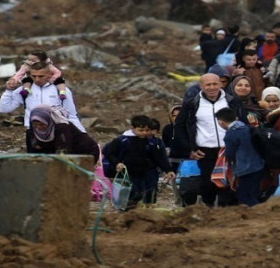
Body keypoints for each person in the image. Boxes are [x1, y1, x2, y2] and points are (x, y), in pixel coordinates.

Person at [170, 73, 246, 207]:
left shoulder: (232, 102)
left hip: (228, 149)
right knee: (208, 183)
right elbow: (180, 126)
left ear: (221, 84)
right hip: (205, 151)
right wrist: (190, 149)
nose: (212, 87)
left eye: (215, 84)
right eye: (208, 84)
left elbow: (244, 124)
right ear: (201, 86)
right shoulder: (192, 104)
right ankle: (208, 209)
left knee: (229, 181)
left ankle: (228, 211)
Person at [0, 61, 86, 144]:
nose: (37, 79)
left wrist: (82, 134)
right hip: (34, 132)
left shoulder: (60, 90)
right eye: (34, 76)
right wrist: (9, 91)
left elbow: (71, 115)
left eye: (41, 76)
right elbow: (4, 109)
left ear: (49, 74)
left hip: (58, 131)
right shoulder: (24, 90)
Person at [106, 115, 175, 207]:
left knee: (148, 195)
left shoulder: (152, 142)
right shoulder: (123, 140)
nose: (144, 133)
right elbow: (110, 153)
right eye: (141, 130)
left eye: (147, 131)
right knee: (130, 196)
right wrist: (117, 163)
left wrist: (168, 170)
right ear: (132, 128)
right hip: (128, 173)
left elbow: (160, 157)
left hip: (147, 173)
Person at [217, 108, 265, 206]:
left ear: (221, 122)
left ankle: (260, 213)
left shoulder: (231, 134)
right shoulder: (247, 128)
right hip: (258, 166)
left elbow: (229, 154)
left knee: (244, 196)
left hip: (245, 169)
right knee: (253, 193)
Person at [26, 104, 98, 163]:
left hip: (84, 153)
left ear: (48, 120)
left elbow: (63, 152)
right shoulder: (32, 131)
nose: (38, 127)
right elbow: (32, 154)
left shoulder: (62, 127)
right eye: (35, 125)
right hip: (60, 155)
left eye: (42, 124)